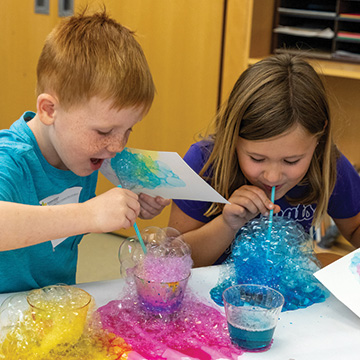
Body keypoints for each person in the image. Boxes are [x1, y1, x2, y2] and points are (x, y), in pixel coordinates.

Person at [0, 10, 170, 293]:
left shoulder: (79, 153)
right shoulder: (11, 158)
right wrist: (88, 214)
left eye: (128, 130)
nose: (117, 147)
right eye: (104, 132)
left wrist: (136, 202)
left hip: (51, 308)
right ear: (49, 110)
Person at [169, 53, 360, 268]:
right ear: (233, 136)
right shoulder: (204, 163)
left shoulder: (328, 164)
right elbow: (172, 259)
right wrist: (226, 224)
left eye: (291, 161)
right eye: (257, 158)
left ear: (320, 136)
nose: (272, 176)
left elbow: (354, 228)